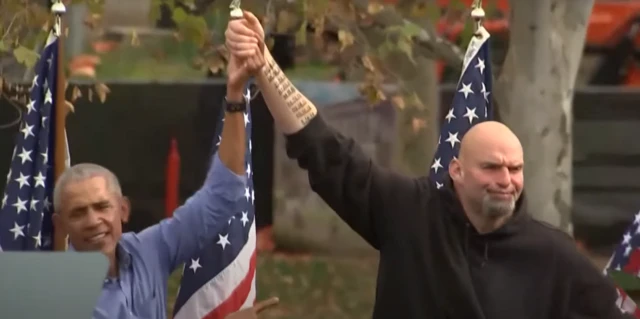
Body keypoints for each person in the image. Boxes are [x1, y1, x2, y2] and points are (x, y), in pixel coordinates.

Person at [225, 11, 634, 319]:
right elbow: (322, 149)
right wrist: (265, 66)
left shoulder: (552, 255)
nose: (506, 180)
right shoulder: (408, 213)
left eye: (514, 169)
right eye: (491, 168)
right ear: (455, 170)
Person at [51, 39, 272, 319]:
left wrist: (235, 95)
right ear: (60, 225)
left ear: (123, 209)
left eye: (101, 207)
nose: (94, 220)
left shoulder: (147, 250)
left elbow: (222, 194)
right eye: (79, 212)